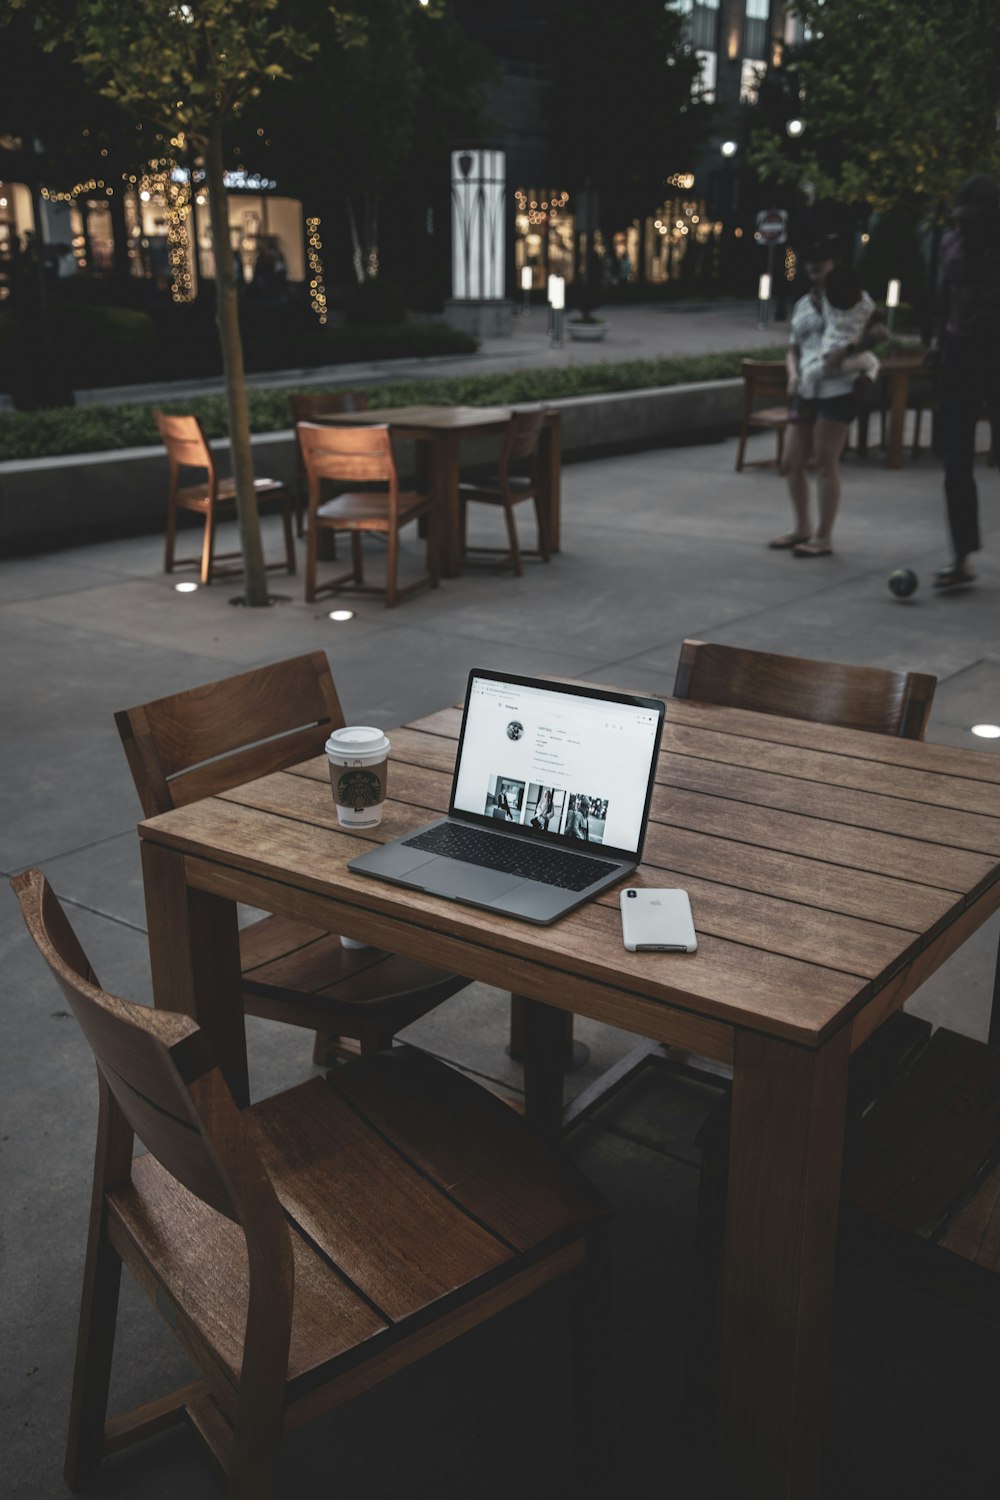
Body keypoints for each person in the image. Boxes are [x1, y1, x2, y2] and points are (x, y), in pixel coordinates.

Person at [926, 174, 1000, 588]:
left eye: (974, 220)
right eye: (961, 219)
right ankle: (961, 557)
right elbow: (946, 297)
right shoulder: (951, 244)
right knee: (956, 461)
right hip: (960, 354)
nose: (966, 226)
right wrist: (939, 343)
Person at [771, 235, 863, 558]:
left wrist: (848, 351)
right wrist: (793, 374)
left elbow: (877, 334)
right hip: (806, 388)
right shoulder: (801, 305)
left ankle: (823, 537)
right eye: (810, 263)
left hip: (837, 389)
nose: (814, 267)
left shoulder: (851, 299)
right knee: (790, 462)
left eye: (821, 262)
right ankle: (802, 527)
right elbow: (793, 348)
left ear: (834, 264)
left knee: (825, 461)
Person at [797, 266, 881, 401]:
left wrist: (814, 294)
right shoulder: (865, 307)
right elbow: (871, 307)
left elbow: (817, 301)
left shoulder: (828, 306)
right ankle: (866, 379)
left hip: (829, 357)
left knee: (808, 375)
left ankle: (804, 404)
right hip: (856, 357)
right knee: (874, 364)